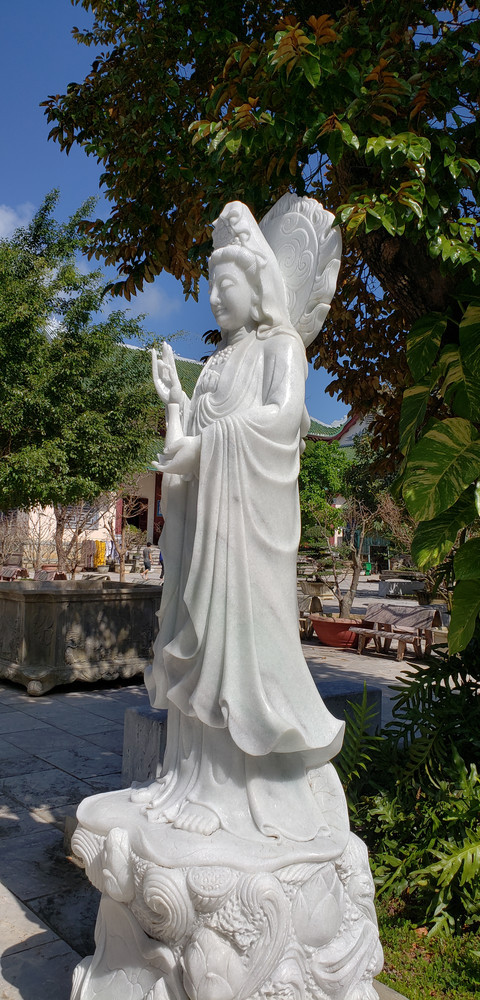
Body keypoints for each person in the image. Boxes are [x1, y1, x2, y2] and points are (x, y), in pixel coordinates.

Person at [136, 199, 346, 846]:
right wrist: (176, 404)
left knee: (234, 648)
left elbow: (282, 422)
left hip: (246, 534)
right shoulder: (216, 366)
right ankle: (190, 778)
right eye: (208, 286)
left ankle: (232, 791)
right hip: (205, 533)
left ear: (256, 288)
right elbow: (186, 450)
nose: (212, 298)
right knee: (195, 642)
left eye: (224, 284)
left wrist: (209, 447)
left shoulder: (282, 347)